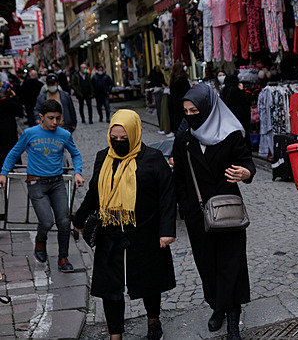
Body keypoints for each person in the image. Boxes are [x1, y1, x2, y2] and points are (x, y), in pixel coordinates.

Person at [73, 110, 176, 340]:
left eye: (124, 138)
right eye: (114, 138)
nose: (118, 142)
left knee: (149, 283)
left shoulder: (152, 158)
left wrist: (166, 231)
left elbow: (167, 195)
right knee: (111, 289)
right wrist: (79, 220)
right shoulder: (103, 157)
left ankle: (153, 319)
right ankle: (115, 334)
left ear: (134, 133)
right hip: (110, 234)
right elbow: (94, 193)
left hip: (145, 232)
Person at [172, 84, 255, 340]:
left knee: (233, 262)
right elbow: (180, 179)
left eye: (195, 110)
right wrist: (186, 208)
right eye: (185, 111)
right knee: (207, 264)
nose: (189, 115)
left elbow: (247, 162)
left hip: (228, 210)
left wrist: (246, 173)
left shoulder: (230, 134)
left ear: (208, 109)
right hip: (199, 214)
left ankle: (233, 317)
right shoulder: (184, 138)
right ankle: (217, 307)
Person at [0, 99, 84, 272]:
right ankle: (40, 240)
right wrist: (3, 173)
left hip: (57, 182)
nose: (55, 122)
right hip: (36, 183)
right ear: (41, 117)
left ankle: (63, 258)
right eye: (51, 118)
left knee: (63, 221)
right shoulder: (30, 133)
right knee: (46, 221)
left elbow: (75, 154)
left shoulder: (64, 135)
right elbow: (14, 152)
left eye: (58, 118)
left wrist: (78, 172)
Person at [221, 74, 251, 149]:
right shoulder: (237, 91)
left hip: (227, 122)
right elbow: (245, 106)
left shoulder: (223, 91)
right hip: (240, 121)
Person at [0, 81, 23, 168]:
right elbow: (20, 112)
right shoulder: (9, 102)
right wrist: (14, 98)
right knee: (9, 147)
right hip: (9, 127)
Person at [168, 61, 190, 136]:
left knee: (176, 117)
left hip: (175, 101)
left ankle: (176, 131)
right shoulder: (182, 79)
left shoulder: (173, 80)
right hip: (182, 101)